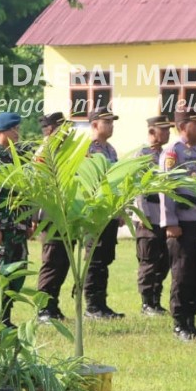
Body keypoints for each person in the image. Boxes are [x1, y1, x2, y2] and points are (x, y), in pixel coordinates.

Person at [161, 110, 196, 341]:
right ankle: (180, 323)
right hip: (182, 221)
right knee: (183, 274)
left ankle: (192, 320)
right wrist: (170, 222)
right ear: (183, 126)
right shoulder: (173, 152)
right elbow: (167, 188)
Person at [0, 112, 31, 325]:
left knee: (17, 273)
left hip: (18, 225)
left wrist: (28, 221)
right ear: (0, 132)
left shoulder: (18, 156)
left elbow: (26, 190)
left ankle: (6, 317)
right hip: (0, 228)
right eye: (14, 129)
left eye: (18, 129)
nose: (17, 133)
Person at [133, 116, 176, 317]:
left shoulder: (166, 154)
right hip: (148, 213)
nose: (167, 133)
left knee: (163, 259)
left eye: (168, 130)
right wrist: (142, 214)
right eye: (163, 130)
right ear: (152, 132)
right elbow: (138, 186)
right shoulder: (142, 154)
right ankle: (146, 302)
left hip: (163, 213)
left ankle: (156, 299)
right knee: (148, 259)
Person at [83, 108, 123, 319]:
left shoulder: (111, 150)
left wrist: (120, 209)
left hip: (110, 211)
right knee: (95, 258)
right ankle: (92, 305)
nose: (111, 125)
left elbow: (116, 181)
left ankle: (101, 303)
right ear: (95, 124)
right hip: (95, 213)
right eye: (107, 122)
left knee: (106, 257)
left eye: (112, 122)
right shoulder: (87, 148)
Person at [35, 112, 70, 322]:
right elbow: (36, 182)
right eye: (61, 127)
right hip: (49, 213)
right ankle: (43, 309)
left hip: (67, 213)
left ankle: (53, 304)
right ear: (50, 130)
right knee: (51, 261)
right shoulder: (44, 151)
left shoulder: (69, 151)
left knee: (64, 262)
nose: (66, 132)